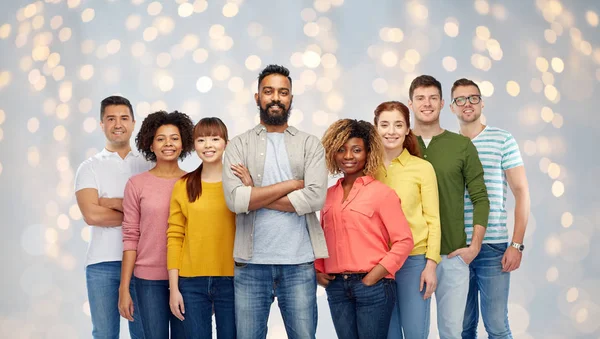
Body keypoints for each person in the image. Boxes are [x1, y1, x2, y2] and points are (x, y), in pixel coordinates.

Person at [222, 64, 328, 339]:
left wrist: (255, 192)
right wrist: (292, 185)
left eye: (283, 92)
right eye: (268, 91)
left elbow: (315, 197)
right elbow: (236, 200)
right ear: (257, 97)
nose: (276, 98)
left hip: (299, 264)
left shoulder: (310, 144)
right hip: (251, 264)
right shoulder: (238, 145)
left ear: (291, 98)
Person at [408, 75, 490, 339]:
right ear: (411, 103)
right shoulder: (399, 144)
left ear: (443, 103)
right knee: (412, 333)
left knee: (452, 333)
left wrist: (474, 246)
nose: (427, 103)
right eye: (420, 98)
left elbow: (480, 197)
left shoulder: (461, 145)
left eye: (433, 98)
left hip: (452, 255)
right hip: (410, 256)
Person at [316, 119, 414, 339]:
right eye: (341, 150)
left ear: (368, 152)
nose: (348, 156)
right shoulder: (327, 195)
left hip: (373, 286)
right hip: (337, 287)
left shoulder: (382, 194)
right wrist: (318, 270)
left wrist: (374, 276)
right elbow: (321, 236)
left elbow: (404, 241)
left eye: (356, 150)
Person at [449, 78, 530, 339]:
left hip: (493, 246)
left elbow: (522, 193)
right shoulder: (447, 145)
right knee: (462, 327)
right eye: (460, 99)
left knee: (496, 326)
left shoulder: (502, 139)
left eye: (473, 98)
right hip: (456, 247)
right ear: (452, 107)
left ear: (482, 103)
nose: (467, 104)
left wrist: (516, 245)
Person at [74, 95, 149, 339]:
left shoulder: (148, 165)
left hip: (143, 262)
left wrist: (111, 203)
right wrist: (137, 212)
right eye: (111, 119)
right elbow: (92, 215)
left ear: (134, 122)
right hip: (102, 263)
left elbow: (158, 214)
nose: (118, 124)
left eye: (124, 118)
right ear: (101, 124)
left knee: (145, 333)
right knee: (104, 334)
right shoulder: (89, 167)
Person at [118, 111, 194, 339]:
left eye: (174, 138)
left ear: (183, 144)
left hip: (188, 278)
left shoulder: (194, 183)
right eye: (161, 138)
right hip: (148, 280)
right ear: (150, 144)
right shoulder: (136, 184)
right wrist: (124, 288)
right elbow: (131, 236)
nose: (168, 143)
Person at [373, 101, 441, 339]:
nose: (391, 131)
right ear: (375, 128)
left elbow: (433, 219)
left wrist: (431, 265)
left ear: (407, 130)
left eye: (398, 125)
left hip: (414, 262)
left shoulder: (422, 168)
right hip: (378, 263)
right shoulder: (366, 169)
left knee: (414, 333)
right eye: (384, 124)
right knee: (388, 334)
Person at [167, 117, 237, 339]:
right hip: (191, 282)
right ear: (194, 145)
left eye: (215, 139)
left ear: (226, 143)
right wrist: (174, 288)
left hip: (233, 279)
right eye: (202, 140)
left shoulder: (239, 183)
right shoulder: (183, 186)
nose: (208, 145)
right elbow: (175, 237)